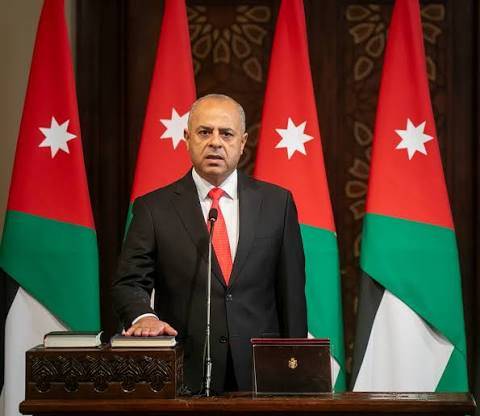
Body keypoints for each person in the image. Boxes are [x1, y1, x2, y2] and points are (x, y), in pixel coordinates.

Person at [112, 94, 307, 394]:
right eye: (205, 132)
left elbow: (291, 295)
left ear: (242, 142)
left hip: (261, 373)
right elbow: (129, 282)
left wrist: (296, 373)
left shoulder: (277, 203)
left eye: (226, 134)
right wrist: (145, 316)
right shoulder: (154, 208)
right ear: (187, 138)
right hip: (185, 371)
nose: (215, 142)